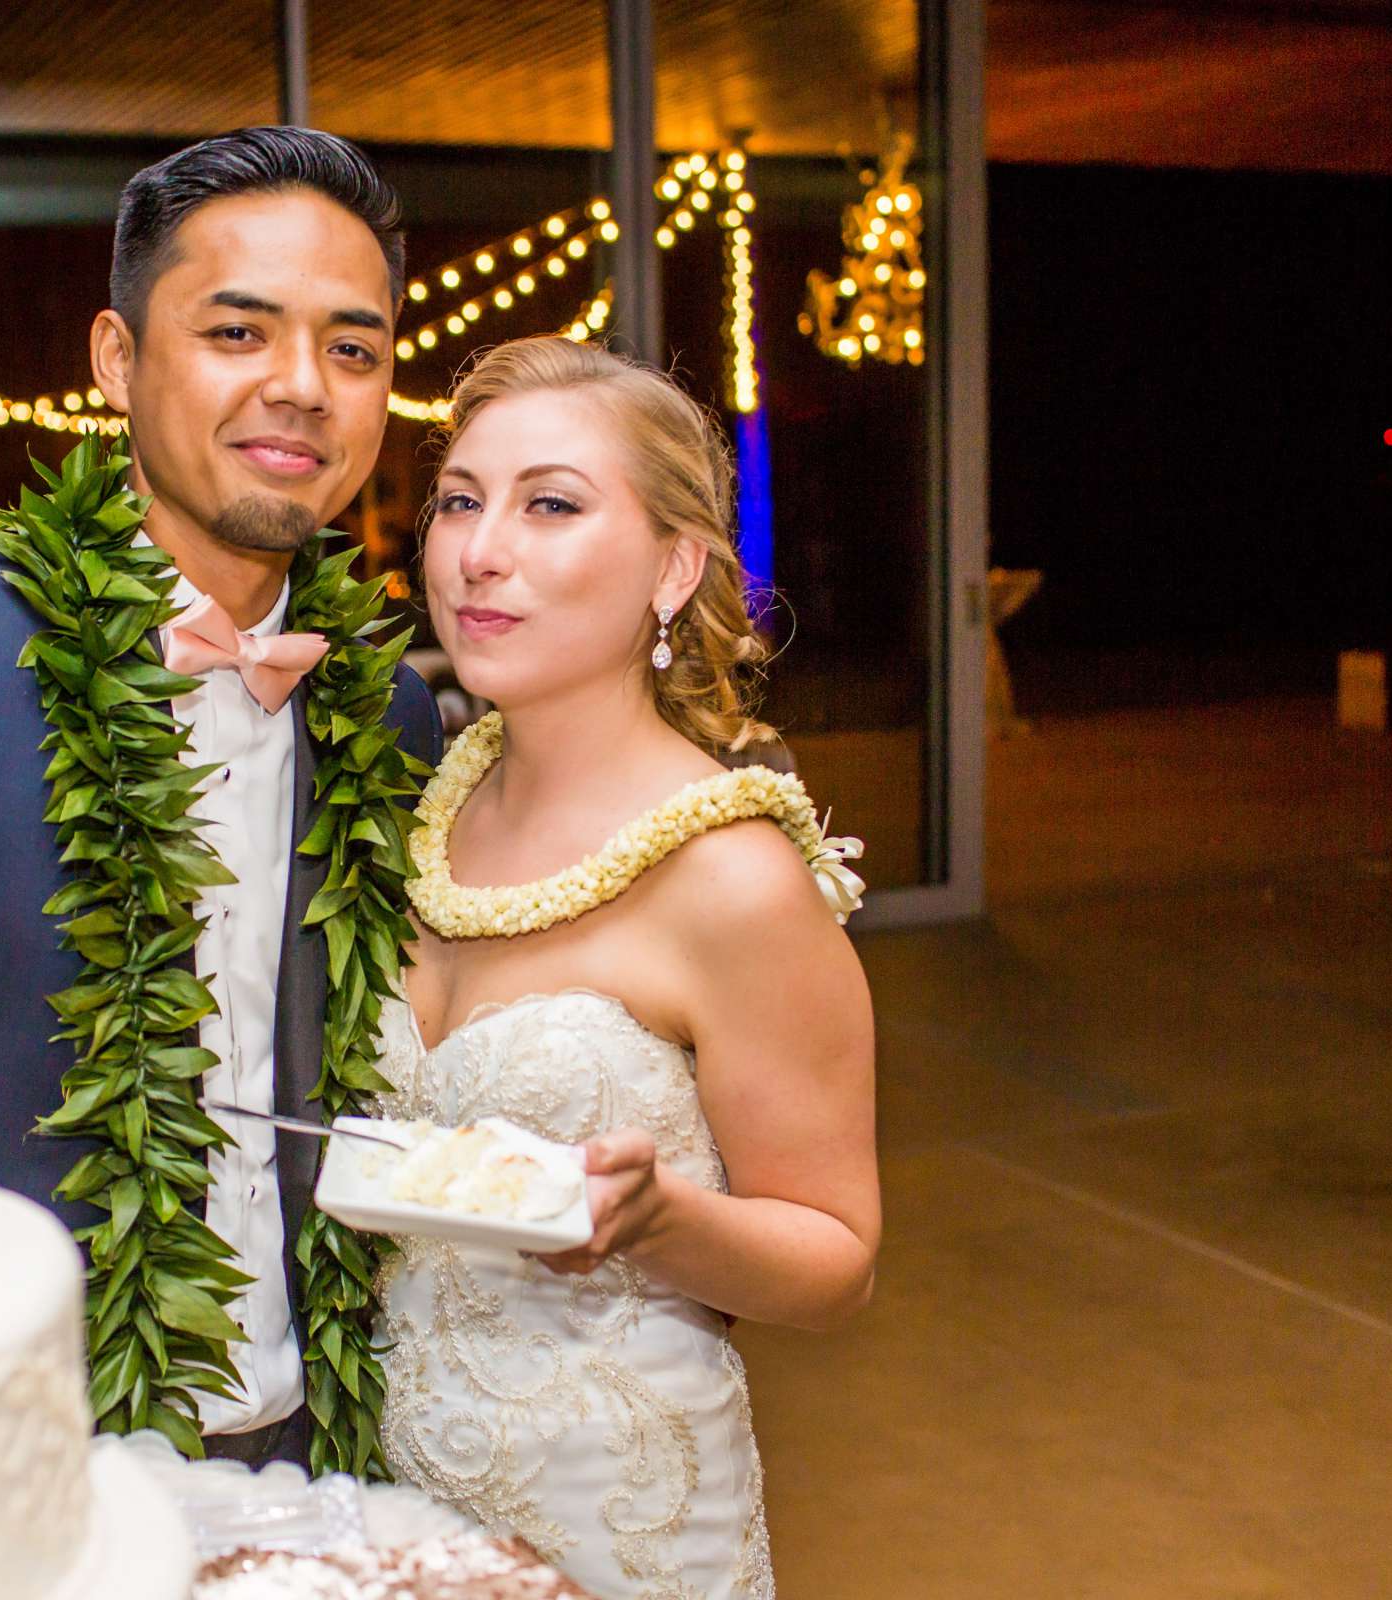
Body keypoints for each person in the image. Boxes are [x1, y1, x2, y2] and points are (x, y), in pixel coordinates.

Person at [0, 128, 441, 1466]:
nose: (302, 387)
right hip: (11, 1450)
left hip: (324, 1442)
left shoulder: (389, 703)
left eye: (352, 351)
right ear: (117, 362)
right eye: (239, 333)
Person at [372, 337, 880, 1597]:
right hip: (386, 1510)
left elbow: (837, 1256)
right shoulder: (414, 809)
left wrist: (664, 1222)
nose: (482, 550)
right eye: (459, 500)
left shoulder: (736, 874)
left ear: (674, 567)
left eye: (550, 504)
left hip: (620, 1529)